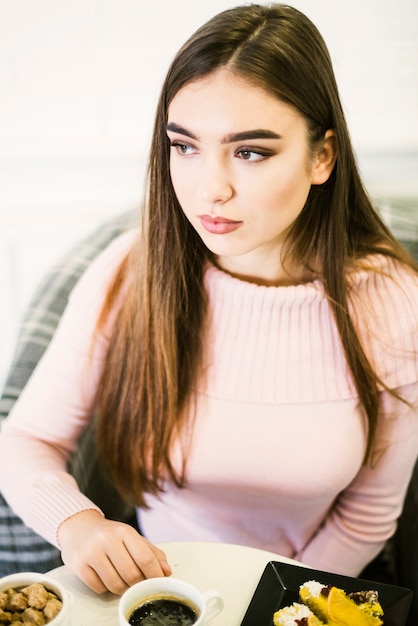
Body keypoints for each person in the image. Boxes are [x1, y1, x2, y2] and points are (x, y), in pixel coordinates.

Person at [1, 3, 418, 597]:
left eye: (250, 152)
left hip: (303, 596)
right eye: (185, 147)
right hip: (158, 597)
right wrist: (78, 524)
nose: (209, 189)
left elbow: (369, 515)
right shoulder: (128, 273)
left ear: (322, 156)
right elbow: (24, 440)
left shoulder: (394, 304)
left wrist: (271, 603)